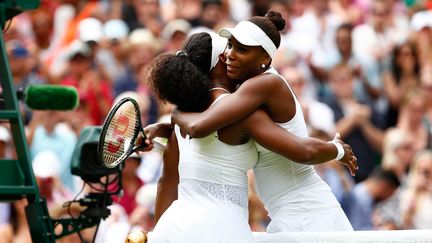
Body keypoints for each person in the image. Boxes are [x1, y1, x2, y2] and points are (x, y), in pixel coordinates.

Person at [144, 30, 355, 242]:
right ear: (221, 60)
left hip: (171, 227)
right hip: (220, 230)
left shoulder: (182, 117)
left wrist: (160, 234)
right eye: (229, 48)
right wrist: (337, 149)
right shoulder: (243, 114)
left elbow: (167, 183)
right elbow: (303, 151)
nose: (232, 54)